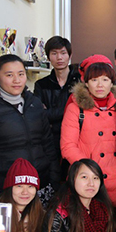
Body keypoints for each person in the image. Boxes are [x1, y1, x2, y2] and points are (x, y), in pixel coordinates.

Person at [0, 55, 60, 200]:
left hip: (40, 185)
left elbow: (48, 145)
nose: (17, 80)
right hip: (5, 189)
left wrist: (54, 179)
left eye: (21, 74)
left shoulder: (35, 103)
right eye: (9, 75)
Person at [61, 55, 116, 208]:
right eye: (94, 80)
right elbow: (68, 146)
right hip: (89, 181)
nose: (100, 85)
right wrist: (90, 170)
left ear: (112, 83)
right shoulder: (76, 108)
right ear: (86, 83)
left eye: (105, 79)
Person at [34, 36, 81, 171]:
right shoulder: (41, 84)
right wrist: (68, 109)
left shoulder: (79, 81)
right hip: (51, 140)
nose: (59, 58)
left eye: (63, 53)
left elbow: (82, 110)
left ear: (70, 55)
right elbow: (38, 114)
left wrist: (49, 112)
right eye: (54, 53)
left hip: (76, 138)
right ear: (48, 57)